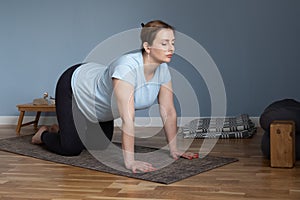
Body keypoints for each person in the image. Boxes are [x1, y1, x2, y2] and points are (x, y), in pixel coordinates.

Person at [32, 20, 198, 173]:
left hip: (100, 104)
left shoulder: (162, 70)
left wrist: (174, 149)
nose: (171, 48)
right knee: (71, 149)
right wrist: (130, 162)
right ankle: (43, 134)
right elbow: (127, 118)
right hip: (75, 86)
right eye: (164, 43)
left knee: (100, 146)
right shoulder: (126, 69)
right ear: (147, 47)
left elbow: (168, 111)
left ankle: (61, 129)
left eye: (173, 43)